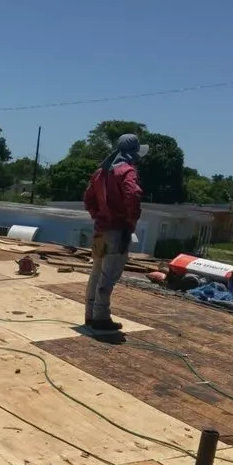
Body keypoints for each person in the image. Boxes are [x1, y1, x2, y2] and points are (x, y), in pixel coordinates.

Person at [83, 134, 147, 332]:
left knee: (96, 272)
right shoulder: (127, 171)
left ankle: (90, 314)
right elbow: (133, 194)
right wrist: (130, 222)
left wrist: (99, 216)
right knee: (108, 275)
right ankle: (101, 317)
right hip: (116, 231)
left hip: (99, 231)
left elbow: (88, 199)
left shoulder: (100, 172)